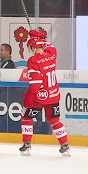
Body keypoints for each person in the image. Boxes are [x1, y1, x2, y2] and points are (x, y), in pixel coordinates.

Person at [19, 28, 69, 157]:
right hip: (53, 94)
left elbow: (35, 84)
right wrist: (39, 37)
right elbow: (48, 45)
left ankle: (27, 144)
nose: (30, 50)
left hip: (40, 97)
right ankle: (65, 145)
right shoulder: (52, 53)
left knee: (26, 117)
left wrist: (30, 96)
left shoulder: (33, 61)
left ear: (34, 47)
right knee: (55, 120)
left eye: (31, 47)